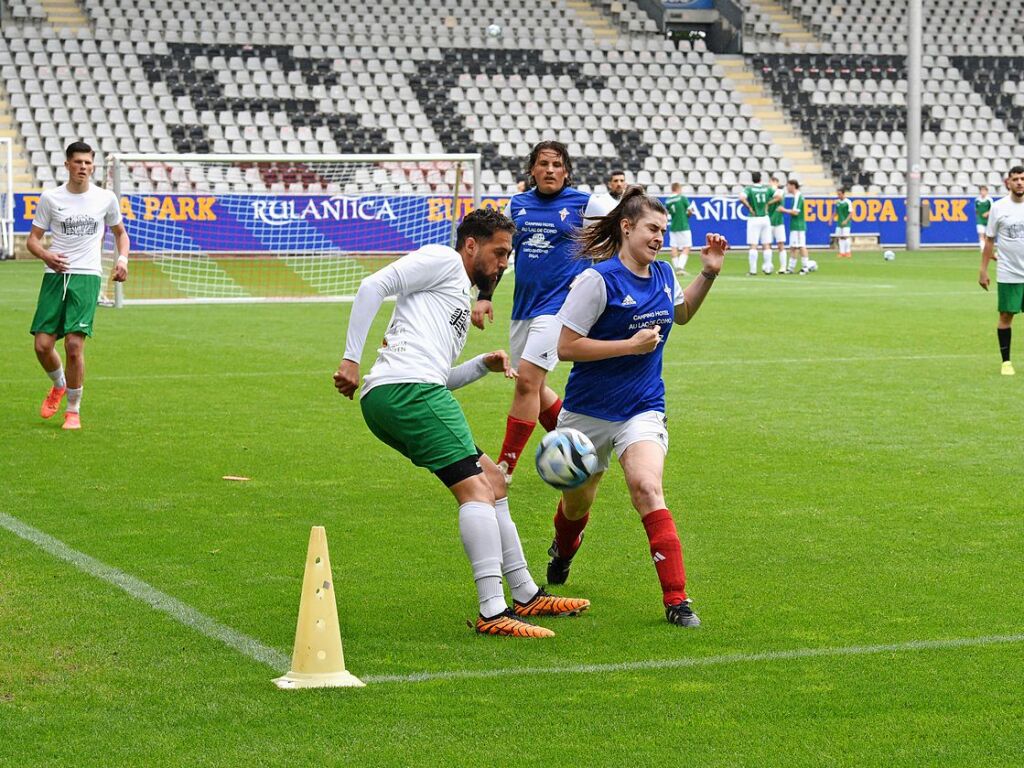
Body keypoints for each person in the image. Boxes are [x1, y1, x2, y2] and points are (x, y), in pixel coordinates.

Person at [335, 208, 589, 636]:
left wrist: (480, 365)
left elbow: (442, 377)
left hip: (408, 392)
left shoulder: (456, 297)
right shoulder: (443, 259)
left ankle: (526, 594)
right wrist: (350, 357)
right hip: (407, 391)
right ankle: (493, 611)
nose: (504, 263)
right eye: (500, 252)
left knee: (494, 480)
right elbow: (372, 284)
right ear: (471, 245)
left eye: (509, 255)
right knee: (476, 489)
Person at [544, 186, 728, 628]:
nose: (659, 237)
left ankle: (677, 600)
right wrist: (628, 346)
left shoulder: (664, 274)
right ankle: (564, 549)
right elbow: (565, 348)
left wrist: (707, 275)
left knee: (646, 488)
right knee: (575, 505)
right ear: (626, 227)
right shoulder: (597, 280)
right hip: (586, 413)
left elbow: (680, 315)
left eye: (663, 231)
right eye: (652, 228)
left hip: (642, 408)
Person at [472, 140, 613, 482]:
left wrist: (594, 277)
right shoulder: (517, 204)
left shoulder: (587, 203)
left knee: (527, 383)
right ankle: (578, 452)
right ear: (532, 169)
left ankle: (504, 469)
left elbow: (624, 231)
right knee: (534, 388)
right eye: (543, 164)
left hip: (560, 308)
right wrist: (486, 294)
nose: (550, 170)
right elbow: (504, 253)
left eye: (557, 164)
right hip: (524, 308)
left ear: (566, 171)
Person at [27, 141, 129, 430]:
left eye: (88, 162)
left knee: (74, 345)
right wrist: (47, 255)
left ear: (93, 165)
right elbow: (32, 240)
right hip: (54, 276)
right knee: (42, 345)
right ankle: (59, 386)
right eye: (78, 162)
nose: (83, 167)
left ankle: (73, 409)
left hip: (87, 276)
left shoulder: (105, 198)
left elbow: (121, 234)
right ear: (67, 165)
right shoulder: (51, 198)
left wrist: (122, 260)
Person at [979, 165, 1024, 376]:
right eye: (1015, 179)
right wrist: (983, 270)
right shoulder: (999, 207)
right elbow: (989, 240)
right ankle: (1006, 362)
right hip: (1009, 272)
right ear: (1008, 182)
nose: (1019, 182)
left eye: (1022, 179)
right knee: (1006, 316)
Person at [739, 171, 782, 275]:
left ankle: (753, 270)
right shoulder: (766, 188)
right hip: (765, 218)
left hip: (754, 218)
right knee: (766, 244)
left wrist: (749, 207)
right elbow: (779, 196)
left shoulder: (749, 189)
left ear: (752, 179)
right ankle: (767, 268)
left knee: (753, 245)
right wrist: (768, 203)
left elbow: (741, 198)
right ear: (760, 179)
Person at [781, 179, 812, 274]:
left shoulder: (798, 196)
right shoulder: (796, 196)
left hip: (798, 226)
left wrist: (783, 210)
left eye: (788, 186)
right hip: (795, 225)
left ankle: (805, 267)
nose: (787, 188)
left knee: (801, 246)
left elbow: (795, 212)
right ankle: (791, 268)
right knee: (793, 247)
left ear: (793, 186)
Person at [665, 182, 697, 274]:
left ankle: (676, 268)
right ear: (679, 189)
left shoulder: (668, 200)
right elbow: (690, 210)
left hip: (673, 226)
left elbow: (667, 212)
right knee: (687, 246)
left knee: (674, 246)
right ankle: (680, 267)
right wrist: (687, 215)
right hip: (683, 225)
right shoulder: (682, 198)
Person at [767, 176, 790, 273]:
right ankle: (768, 266)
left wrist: (768, 203)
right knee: (768, 244)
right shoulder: (767, 192)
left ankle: (783, 267)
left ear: (776, 182)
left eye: (772, 182)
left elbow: (779, 197)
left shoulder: (780, 191)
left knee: (780, 244)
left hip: (778, 221)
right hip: (769, 221)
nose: (771, 184)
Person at [833, 187, 852, 258]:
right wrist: (831, 218)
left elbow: (851, 213)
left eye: (840, 194)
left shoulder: (848, 202)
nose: (838, 195)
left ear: (843, 194)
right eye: (838, 194)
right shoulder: (837, 202)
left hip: (846, 223)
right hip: (839, 222)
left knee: (846, 237)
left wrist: (846, 220)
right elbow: (836, 212)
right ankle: (842, 252)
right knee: (840, 237)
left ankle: (848, 252)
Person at [975, 185, 993, 253]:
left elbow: (992, 209)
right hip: (980, 220)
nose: (983, 192)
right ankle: (982, 249)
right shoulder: (977, 200)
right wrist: (978, 217)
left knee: (988, 236)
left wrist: (988, 213)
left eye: (984, 190)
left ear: (987, 191)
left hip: (988, 220)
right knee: (981, 235)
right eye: (981, 190)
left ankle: (988, 248)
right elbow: (976, 210)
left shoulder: (989, 200)